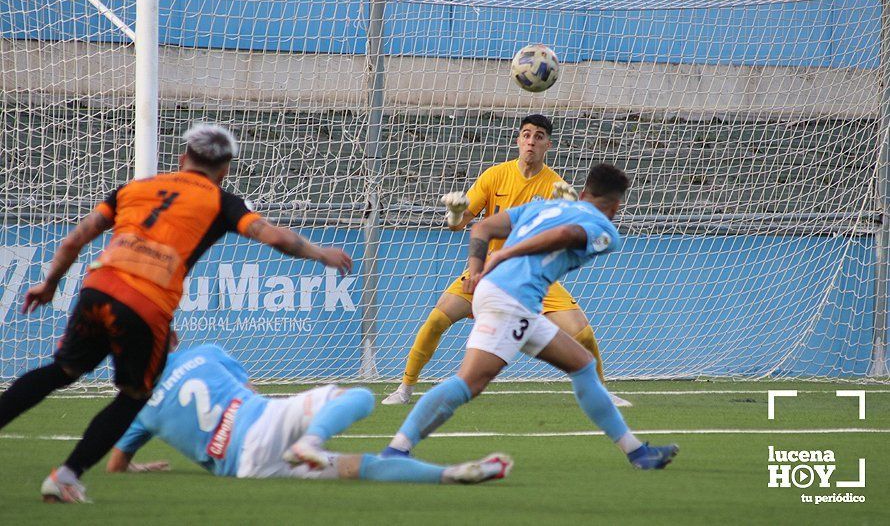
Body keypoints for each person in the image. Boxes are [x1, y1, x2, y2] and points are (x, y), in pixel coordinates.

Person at [0, 124, 353, 503]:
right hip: (144, 304)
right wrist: (321, 254)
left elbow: (74, 239)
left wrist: (49, 283)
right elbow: (278, 237)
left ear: (183, 158)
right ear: (226, 168)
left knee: (61, 371)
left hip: (97, 289)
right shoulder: (222, 202)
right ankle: (67, 476)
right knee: (136, 394)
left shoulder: (133, 189)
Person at [381, 163, 678, 470]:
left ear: (585, 191)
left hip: (505, 295)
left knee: (583, 364)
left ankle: (638, 453)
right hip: (512, 299)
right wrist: (509, 253)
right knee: (469, 382)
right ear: (616, 206)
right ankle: (396, 450)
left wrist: (476, 269)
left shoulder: (544, 207)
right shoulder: (605, 230)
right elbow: (565, 234)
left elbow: (481, 227)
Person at [383, 115, 630, 408]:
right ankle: (405, 388)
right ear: (518, 140)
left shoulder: (556, 186)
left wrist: (569, 206)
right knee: (437, 319)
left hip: (535, 275)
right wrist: (453, 215)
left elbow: (568, 234)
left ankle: (602, 393)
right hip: (488, 271)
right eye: (526, 135)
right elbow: (463, 224)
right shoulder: (494, 176)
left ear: (547, 144)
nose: (531, 141)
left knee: (582, 333)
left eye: (538, 136)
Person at [107, 343, 512, 486]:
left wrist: (135, 468)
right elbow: (250, 392)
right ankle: (311, 439)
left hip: (247, 465)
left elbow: (116, 465)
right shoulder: (204, 354)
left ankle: (449, 475)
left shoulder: (139, 408)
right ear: (170, 338)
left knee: (361, 468)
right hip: (265, 418)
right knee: (359, 397)